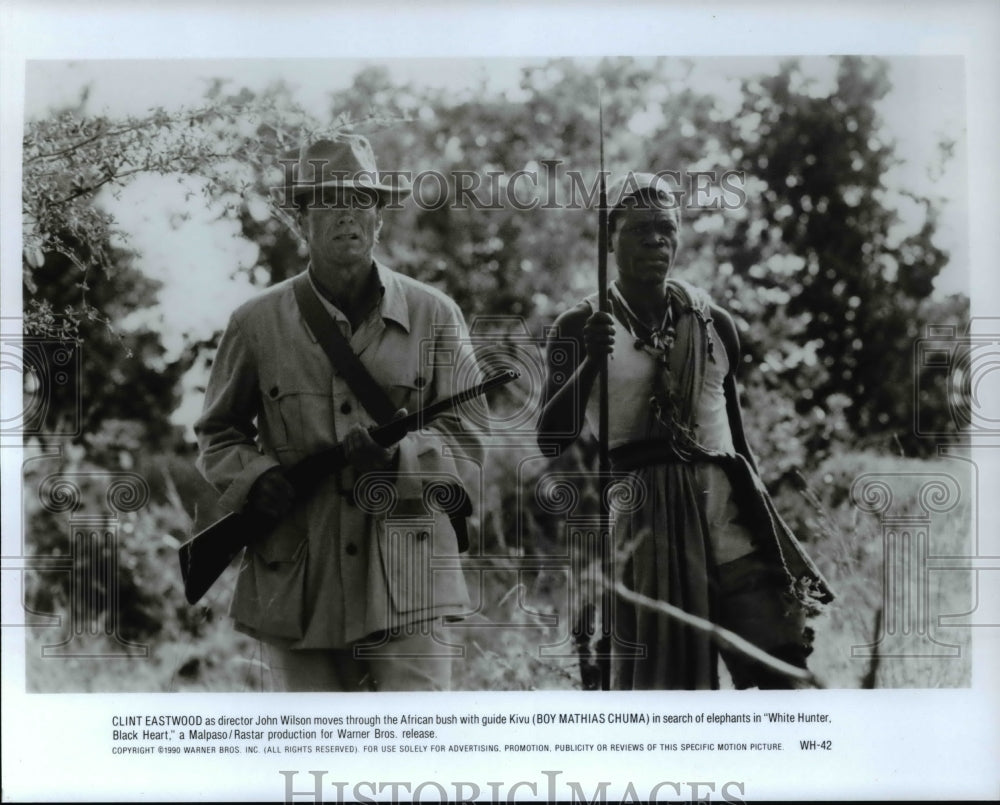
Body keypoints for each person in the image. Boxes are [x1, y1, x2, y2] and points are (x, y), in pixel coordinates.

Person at [194, 134, 482, 691]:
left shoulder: (436, 315)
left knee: (417, 736)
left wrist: (398, 460)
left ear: (379, 219)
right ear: (302, 220)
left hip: (411, 578)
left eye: (360, 200)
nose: (346, 214)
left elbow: (469, 442)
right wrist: (258, 479)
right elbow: (218, 432)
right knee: (314, 740)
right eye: (327, 201)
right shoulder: (255, 323)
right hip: (298, 583)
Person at [538, 172, 833, 690]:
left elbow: (737, 442)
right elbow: (550, 440)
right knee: (666, 690)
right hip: (647, 531)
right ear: (610, 239)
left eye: (667, 229)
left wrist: (770, 532)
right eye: (639, 230)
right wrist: (589, 361)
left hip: (730, 522)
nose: (657, 241)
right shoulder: (579, 325)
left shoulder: (712, 322)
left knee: (783, 673)